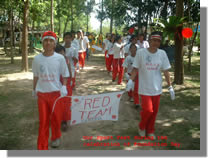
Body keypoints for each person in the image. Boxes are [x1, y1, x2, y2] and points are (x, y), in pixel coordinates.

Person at [126, 31, 175, 140]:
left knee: (154, 112)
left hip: (157, 88)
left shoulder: (162, 53)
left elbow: (166, 71)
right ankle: (142, 127)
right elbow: (135, 69)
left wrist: (170, 86)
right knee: (148, 110)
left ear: (160, 42)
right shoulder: (141, 53)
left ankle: (150, 130)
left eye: (158, 41)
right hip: (144, 88)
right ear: (149, 40)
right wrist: (130, 81)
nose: (155, 43)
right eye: (153, 40)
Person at [32, 31, 69, 150]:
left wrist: (64, 86)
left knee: (56, 118)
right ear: (42, 43)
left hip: (56, 94)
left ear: (54, 43)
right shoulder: (37, 59)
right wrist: (34, 89)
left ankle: (56, 136)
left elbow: (65, 74)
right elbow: (36, 76)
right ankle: (42, 147)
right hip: (42, 94)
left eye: (51, 41)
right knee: (43, 121)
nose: (48, 43)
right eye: (46, 41)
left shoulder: (60, 58)